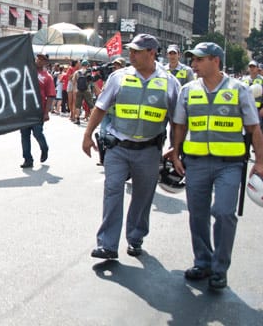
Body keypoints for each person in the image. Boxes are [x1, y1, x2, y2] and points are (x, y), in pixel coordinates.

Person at [169, 42, 263, 290]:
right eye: (193, 60)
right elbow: (180, 125)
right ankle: (203, 262)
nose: (194, 65)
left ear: (215, 61)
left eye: (199, 60)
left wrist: (261, 161)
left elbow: (254, 128)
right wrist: (176, 153)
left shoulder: (239, 89)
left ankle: (220, 269)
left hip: (229, 165)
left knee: (223, 212)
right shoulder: (188, 90)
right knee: (197, 215)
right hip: (196, 163)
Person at [82, 33, 179, 259]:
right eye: (131, 51)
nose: (131, 55)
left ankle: (135, 238)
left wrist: (176, 149)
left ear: (152, 53)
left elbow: (177, 121)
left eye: (137, 51)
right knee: (113, 191)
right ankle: (107, 244)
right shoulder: (119, 77)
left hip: (149, 151)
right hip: (118, 147)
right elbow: (100, 107)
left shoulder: (169, 83)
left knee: (143, 197)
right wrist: (87, 135)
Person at [19, 54, 52, 168]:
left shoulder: (47, 77)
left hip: (38, 110)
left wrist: (46, 112)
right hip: (25, 109)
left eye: (42, 59)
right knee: (24, 135)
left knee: (37, 133)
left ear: (45, 63)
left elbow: (51, 95)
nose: (39, 60)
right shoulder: (27, 71)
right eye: (38, 58)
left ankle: (44, 148)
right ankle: (27, 159)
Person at [72, 60, 95, 126]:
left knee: (78, 105)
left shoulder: (77, 72)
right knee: (91, 105)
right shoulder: (89, 72)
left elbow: (74, 81)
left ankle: (77, 119)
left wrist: (75, 90)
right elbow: (92, 81)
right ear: (87, 65)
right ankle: (93, 120)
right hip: (87, 90)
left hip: (79, 90)